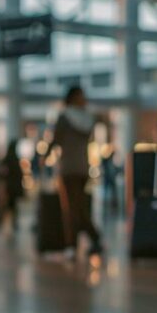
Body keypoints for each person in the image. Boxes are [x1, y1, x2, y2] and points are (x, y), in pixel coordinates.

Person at [49, 85, 105, 257]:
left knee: (71, 209)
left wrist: (45, 155)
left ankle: (72, 245)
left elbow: (56, 140)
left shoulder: (64, 117)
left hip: (67, 168)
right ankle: (93, 238)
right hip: (83, 167)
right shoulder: (88, 119)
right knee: (79, 207)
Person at [0, 139, 25, 231]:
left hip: (8, 187)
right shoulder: (15, 160)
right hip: (13, 187)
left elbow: (2, 173)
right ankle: (11, 223)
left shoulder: (6, 159)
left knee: (8, 206)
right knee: (12, 206)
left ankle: (5, 223)